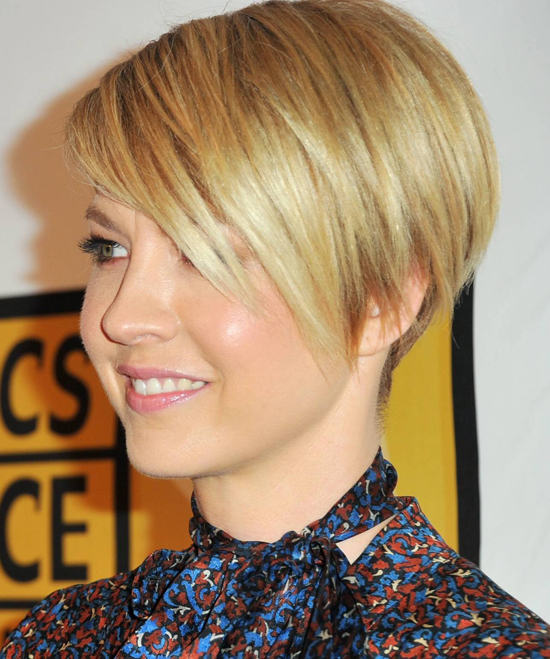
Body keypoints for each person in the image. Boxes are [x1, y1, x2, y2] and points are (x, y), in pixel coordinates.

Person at [2, 0, 549, 656]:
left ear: (381, 300)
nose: (120, 317)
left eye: (202, 252)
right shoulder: (59, 638)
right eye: (109, 248)